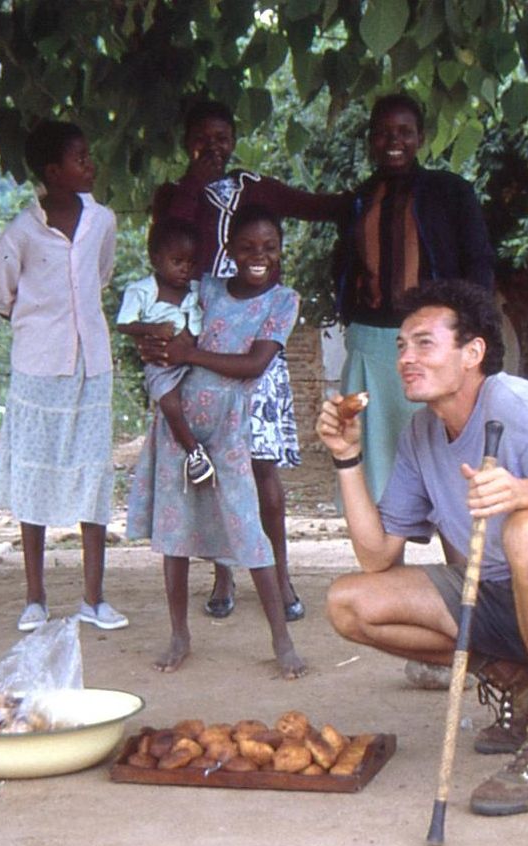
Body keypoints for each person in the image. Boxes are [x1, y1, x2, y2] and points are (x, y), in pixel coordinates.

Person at [316, 280, 528, 815]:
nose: (406, 357)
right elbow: (378, 558)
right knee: (349, 602)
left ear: (472, 353)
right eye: (402, 345)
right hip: (505, 597)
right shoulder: (420, 433)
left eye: (425, 343)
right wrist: (347, 458)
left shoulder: (520, 407)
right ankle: (518, 680)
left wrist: (524, 492)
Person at [151, 99, 347, 621]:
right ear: (188, 143)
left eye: (223, 137)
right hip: (203, 344)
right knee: (216, 471)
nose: (214, 147)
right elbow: (165, 248)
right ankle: (223, 574)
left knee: (263, 473)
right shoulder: (175, 195)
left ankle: (280, 577)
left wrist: (364, 198)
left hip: (256, 344)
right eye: (203, 139)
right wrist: (195, 179)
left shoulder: (253, 187)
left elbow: (315, 206)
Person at [127, 205, 307, 679]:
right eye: (246, 247)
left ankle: (282, 641)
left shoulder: (282, 301)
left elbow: (254, 365)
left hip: (229, 428)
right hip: (178, 424)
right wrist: (154, 342)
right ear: (228, 251)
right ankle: (179, 634)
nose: (258, 256)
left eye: (269, 247)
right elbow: (163, 319)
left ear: (281, 250)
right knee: (176, 534)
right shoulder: (205, 288)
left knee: (250, 531)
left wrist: (189, 352)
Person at [0, 120, 128, 632]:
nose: (90, 164)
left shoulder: (102, 221)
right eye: (80, 158)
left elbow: (99, 276)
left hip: (93, 367)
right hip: (38, 370)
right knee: (34, 477)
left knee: (92, 473)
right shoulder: (20, 232)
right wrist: (42, 328)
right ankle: (35, 599)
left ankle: (93, 598)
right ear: (52, 172)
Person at [331, 93, 496, 506]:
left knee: (446, 458)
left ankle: (460, 565)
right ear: (370, 140)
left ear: (420, 137)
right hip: (371, 346)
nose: (394, 140)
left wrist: (478, 335)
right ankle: (388, 564)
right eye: (384, 132)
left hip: (436, 345)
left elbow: (478, 265)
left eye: (404, 132)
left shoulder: (451, 193)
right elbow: (345, 264)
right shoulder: (360, 199)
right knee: (379, 470)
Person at [115, 218, 214, 488]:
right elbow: (124, 323)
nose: (185, 269)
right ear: (156, 259)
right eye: (177, 261)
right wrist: (152, 328)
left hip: (193, 360)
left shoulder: (196, 291)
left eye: (190, 263)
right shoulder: (142, 291)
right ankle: (194, 452)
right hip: (161, 363)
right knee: (169, 401)